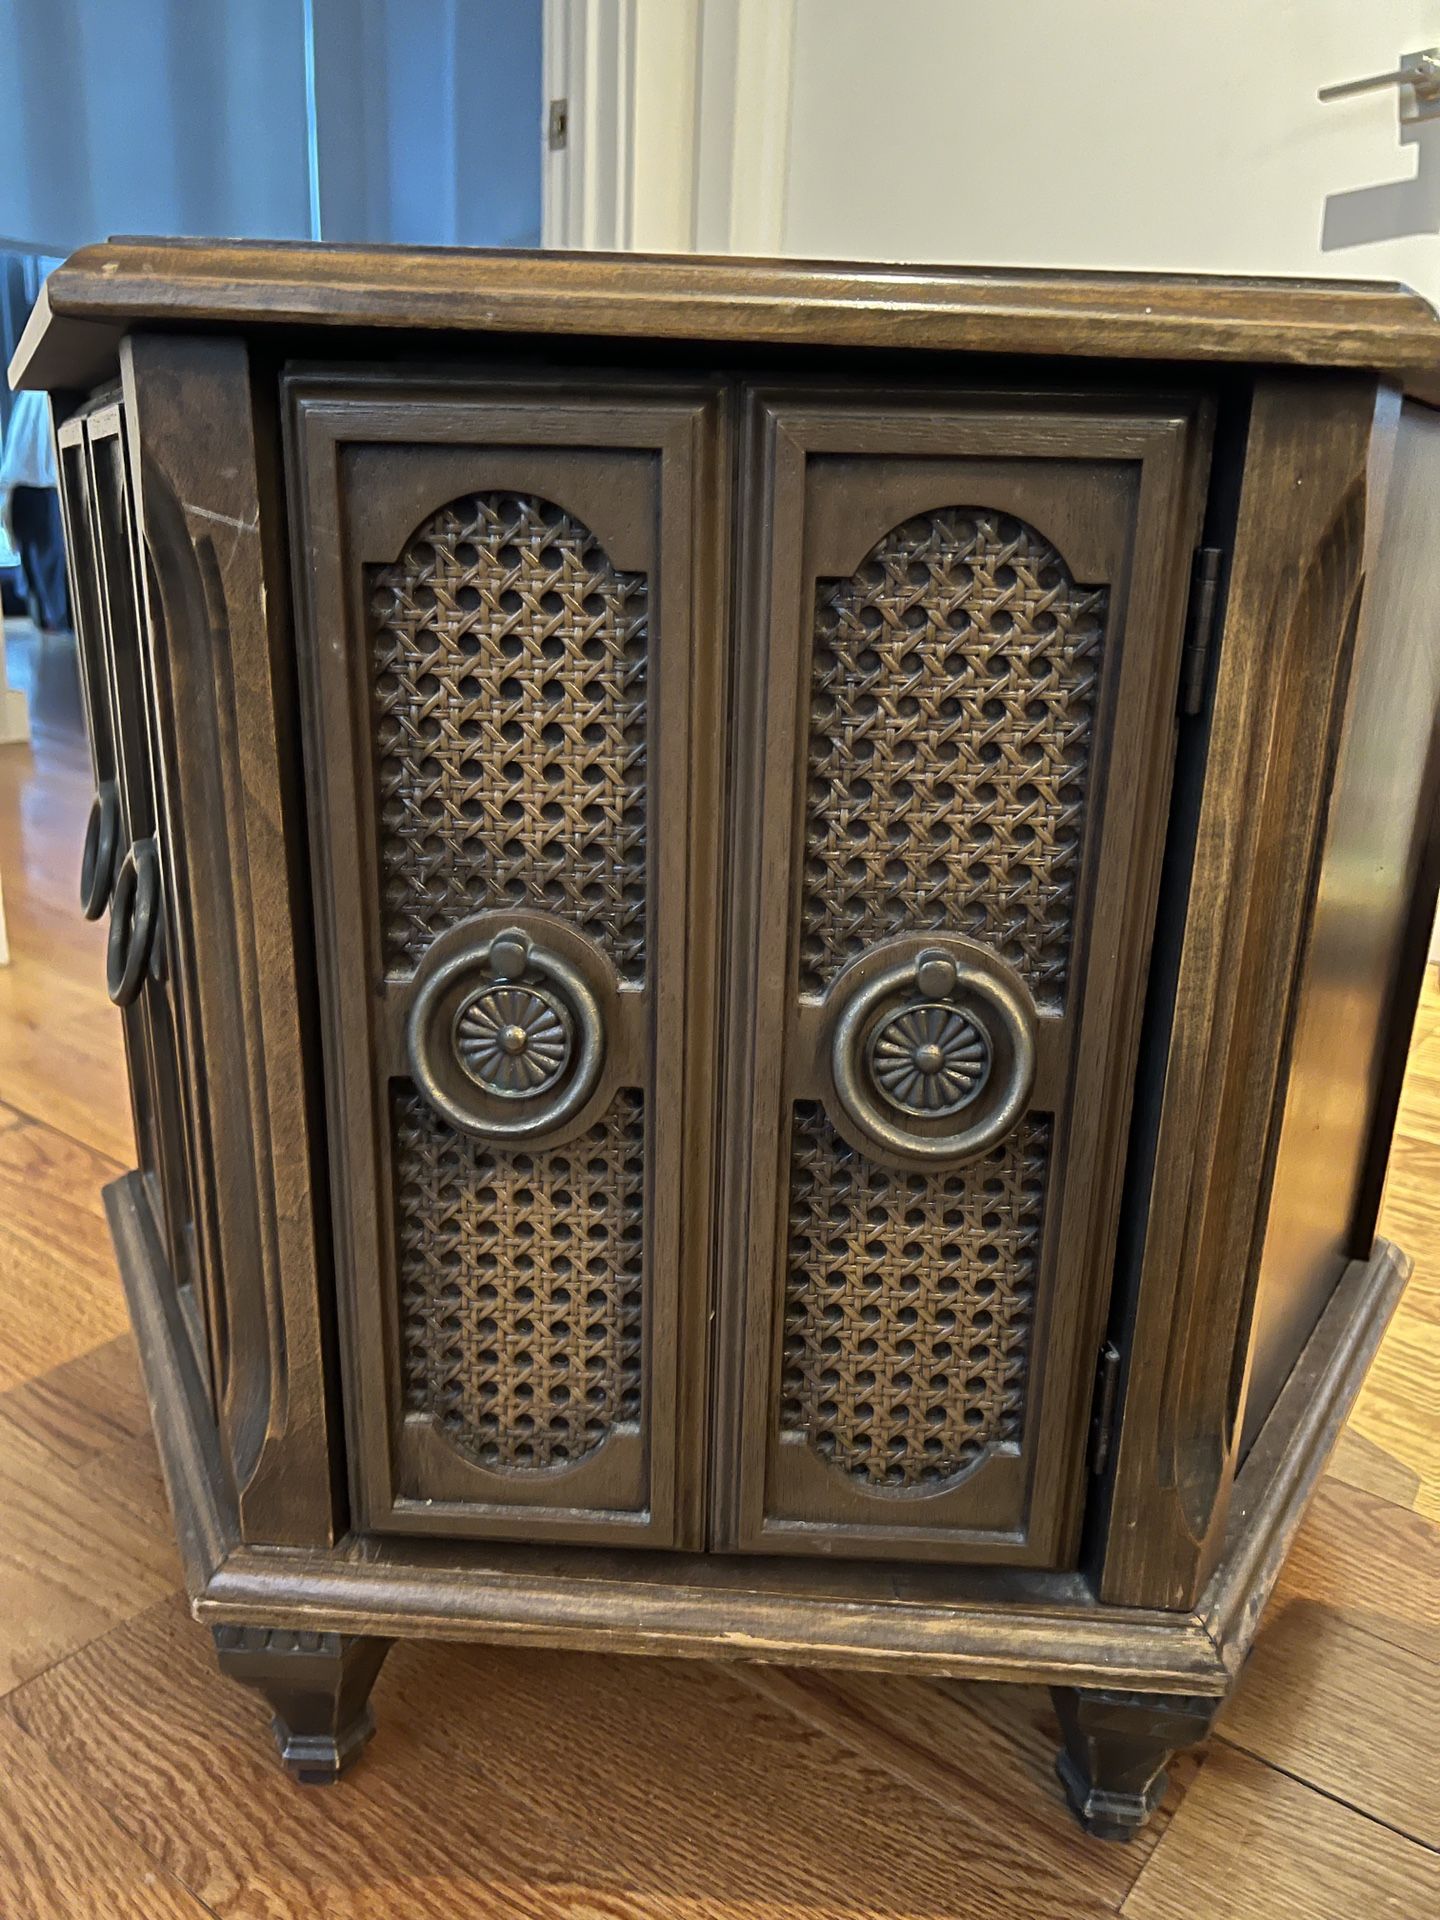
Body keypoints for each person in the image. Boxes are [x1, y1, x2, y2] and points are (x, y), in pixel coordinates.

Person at [0, 388, 70, 632]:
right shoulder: (38, 390)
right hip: (41, 487)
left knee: (47, 564)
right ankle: (54, 619)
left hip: (32, 485)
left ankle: (53, 619)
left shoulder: (30, 393)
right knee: (49, 563)